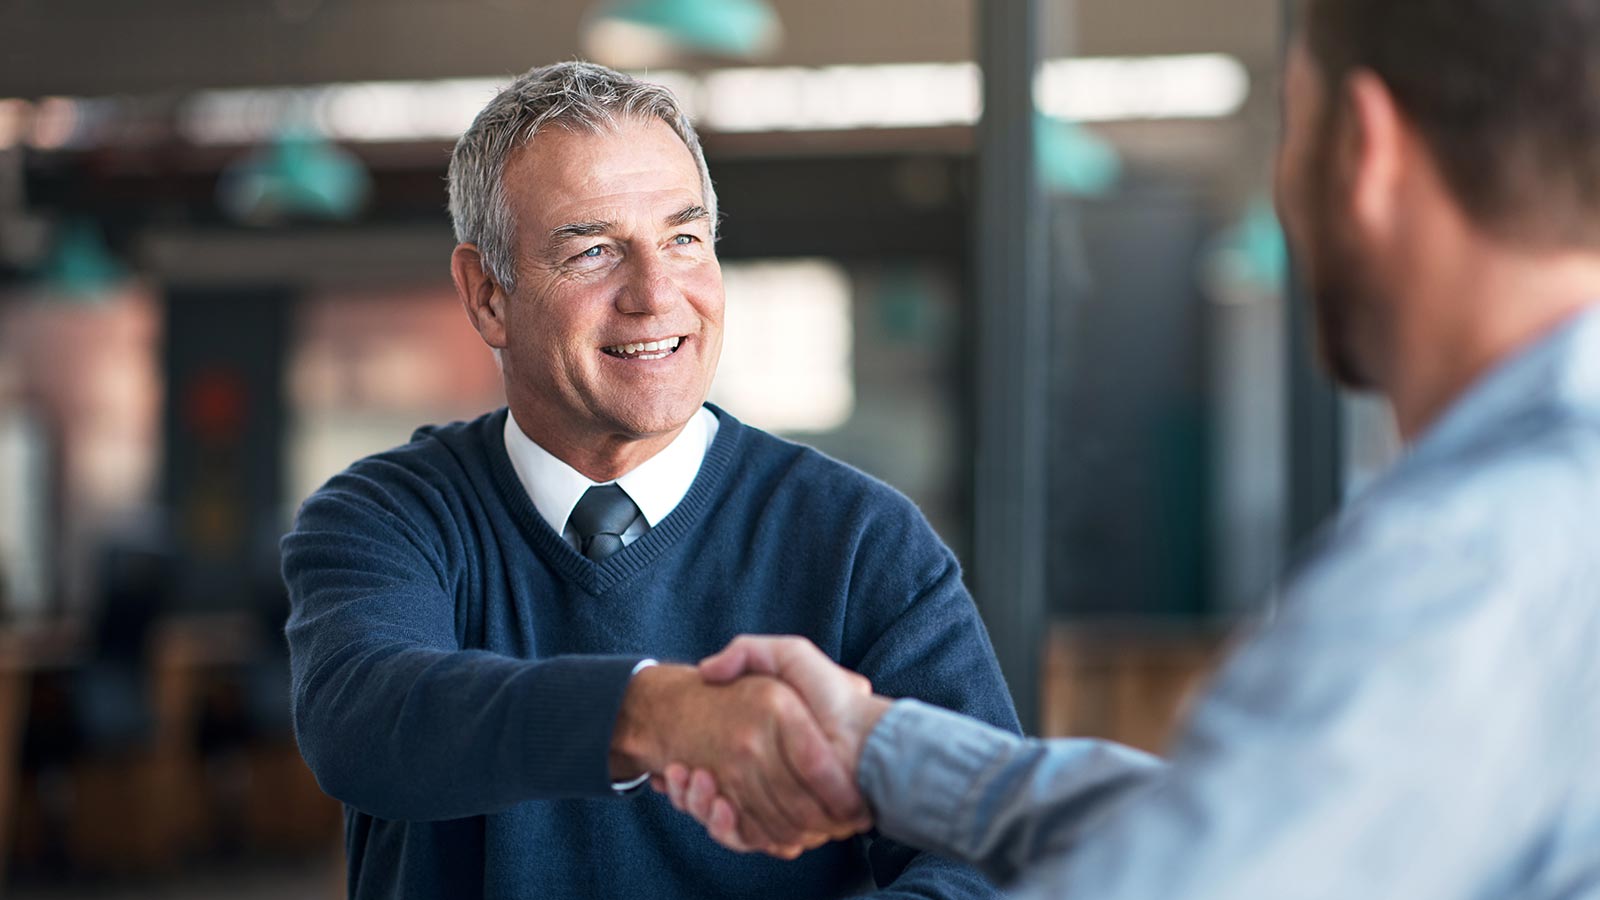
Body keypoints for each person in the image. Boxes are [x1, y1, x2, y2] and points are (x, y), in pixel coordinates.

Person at [662, 0, 1600, 896]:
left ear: (1365, 148)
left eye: (1293, 127)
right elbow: (1238, 824)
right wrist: (879, 750)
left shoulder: (1467, 561)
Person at [280, 61, 1019, 900]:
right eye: (594, 251)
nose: (657, 293)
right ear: (487, 296)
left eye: (683, 238)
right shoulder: (387, 516)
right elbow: (366, 720)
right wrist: (657, 713)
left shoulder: (861, 542)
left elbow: (984, 851)